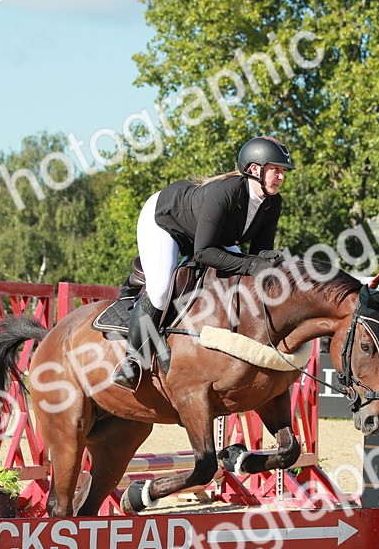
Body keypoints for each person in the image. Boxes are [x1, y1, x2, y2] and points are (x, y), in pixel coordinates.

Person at [110, 135, 294, 390]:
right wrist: (253, 265)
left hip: (206, 235)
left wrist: (272, 263)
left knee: (240, 276)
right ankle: (132, 361)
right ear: (254, 169)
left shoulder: (272, 203)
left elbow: (259, 252)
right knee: (161, 290)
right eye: (276, 169)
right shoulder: (226, 193)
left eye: (283, 171)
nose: (281, 177)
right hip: (166, 222)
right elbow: (204, 253)